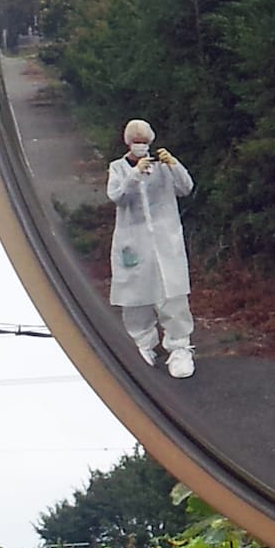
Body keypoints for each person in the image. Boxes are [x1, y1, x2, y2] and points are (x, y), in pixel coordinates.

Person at [107, 117, 196, 379]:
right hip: (133, 241)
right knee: (135, 296)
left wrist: (175, 165)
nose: (140, 146)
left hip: (166, 241)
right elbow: (117, 196)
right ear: (127, 143)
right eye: (136, 142)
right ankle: (142, 345)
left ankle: (180, 347)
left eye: (144, 142)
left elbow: (185, 188)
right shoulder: (118, 168)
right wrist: (135, 175)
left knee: (173, 295)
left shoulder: (164, 167)